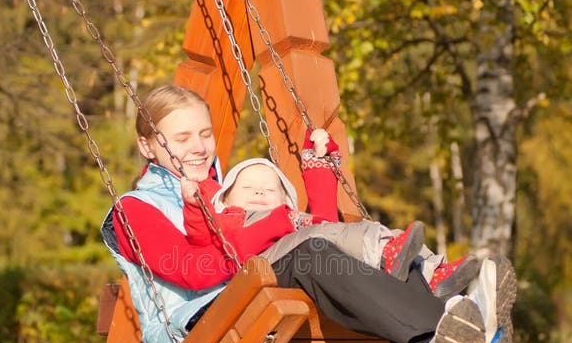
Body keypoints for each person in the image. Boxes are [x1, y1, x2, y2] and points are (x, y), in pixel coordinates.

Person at [101, 84, 516, 343]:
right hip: (205, 338)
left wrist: (317, 174)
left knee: (335, 254)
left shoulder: (228, 191)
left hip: (257, 310)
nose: (198, 147)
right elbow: (191, 270)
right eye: (180, 138)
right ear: (147, 145)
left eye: (205, 134)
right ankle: (441, 331)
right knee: (311, 255)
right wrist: (277, 223)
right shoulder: (135, 210)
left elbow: (312, 226)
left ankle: (452, 329)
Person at [179, 127, 480, 298]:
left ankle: (432, 268)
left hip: (325, 267)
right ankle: (388, 252)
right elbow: (200, 234)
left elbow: (325, 219)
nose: (259, 193)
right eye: (248, 188)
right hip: (267, 279)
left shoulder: (292, 220)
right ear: (226, 198)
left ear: (285, 200)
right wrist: (196, 201)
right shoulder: (229, 222)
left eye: (269, 190)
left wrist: (321, 159)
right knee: (323, 238)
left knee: (353, 231)